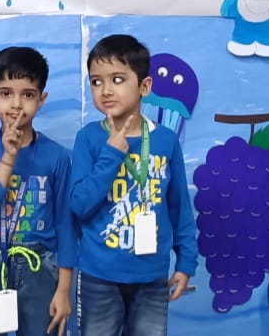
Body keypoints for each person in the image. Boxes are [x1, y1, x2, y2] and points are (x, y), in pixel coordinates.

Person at [69, 34, 198, 336]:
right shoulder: (89, 138)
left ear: (145, 86)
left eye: (117, 79)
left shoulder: (165, 140)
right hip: (99, 275)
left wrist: (186, 262)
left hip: (152, 275)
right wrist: (112, 154)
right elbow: (79, 205)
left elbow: (179, 207)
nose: (106, 90)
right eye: (96, 82)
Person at [0, 47, 76, 336]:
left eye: (27, 94)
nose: (16, 104)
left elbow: (66, 224)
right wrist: (8, 158)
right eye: (6, 93)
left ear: (41, 100)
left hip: (40, 263)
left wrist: (64, 289)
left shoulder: (56, 156)